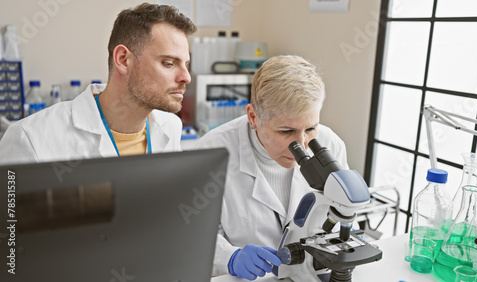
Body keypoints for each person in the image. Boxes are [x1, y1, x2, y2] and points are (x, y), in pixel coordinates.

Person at [193, 55, 350, 280]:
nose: (302, 145)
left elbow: (339, 211)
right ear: (253, 117)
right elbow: (193, 233)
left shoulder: (330, 143)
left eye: (311, 128)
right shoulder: (211, 152)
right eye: (286, 131)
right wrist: (230, 257)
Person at [0, 3, 196, 165]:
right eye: (169, 63)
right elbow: (11, 213)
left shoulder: (170, 127)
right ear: (123, 59)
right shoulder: (30, 139)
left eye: (186, 64)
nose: (186, 77)